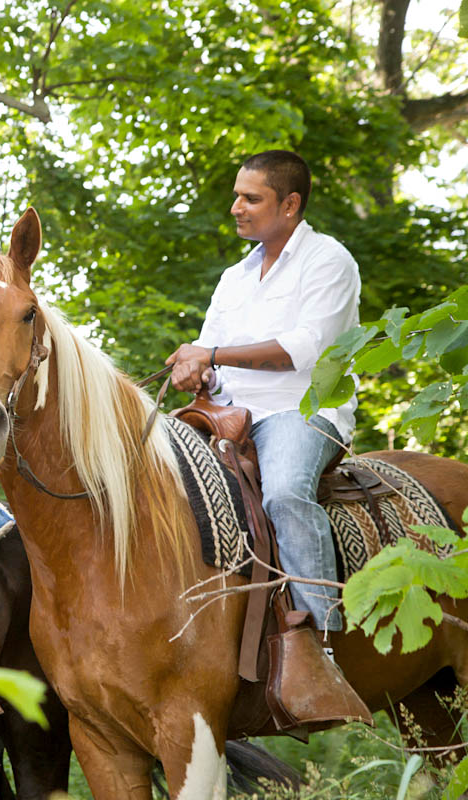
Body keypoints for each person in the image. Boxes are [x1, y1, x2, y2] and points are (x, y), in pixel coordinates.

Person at [167, 150, 361, 643]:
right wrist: (197, 374)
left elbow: (305, 349)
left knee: (286, 495)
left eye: (251, 198)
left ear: (290, 204)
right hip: (222, 415)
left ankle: (321, 647)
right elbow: (211, 357)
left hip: (298, 411)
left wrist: (209, 352)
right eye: (236, 195)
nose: (236, 207)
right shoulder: (234, 278)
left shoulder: (329, 260)